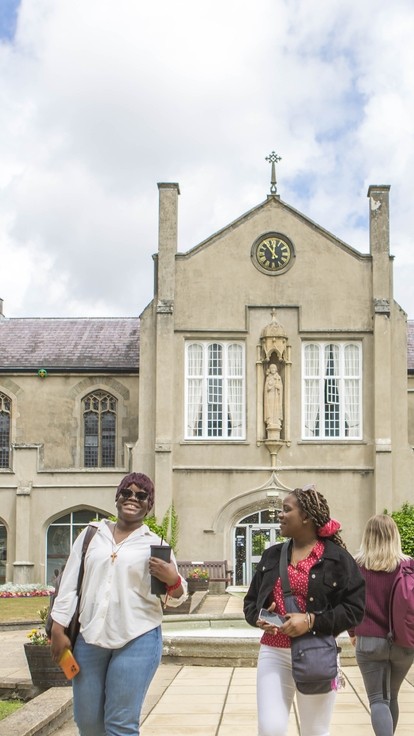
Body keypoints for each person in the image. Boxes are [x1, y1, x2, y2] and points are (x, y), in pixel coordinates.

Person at [50, 472, 187, 736]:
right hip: (90, 637)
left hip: (137, 637)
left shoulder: (156, 544)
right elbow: (68, 584)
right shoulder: (91, 534)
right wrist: (58, 627)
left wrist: (173, 579)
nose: (132, 498)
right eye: (127, 492)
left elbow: (178, 595)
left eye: (141, 495)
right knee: (87, 722)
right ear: (117, 497)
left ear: (149, 505)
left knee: (120, 724)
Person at [243, 485, 365, 736]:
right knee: (270, 729)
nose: (280, 515)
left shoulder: (337, 559)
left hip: (317, 653)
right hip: (273, 652)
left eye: (286, 510)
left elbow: (354, 610)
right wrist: (260, 617)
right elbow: (250, 603)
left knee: (315, 731)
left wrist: (311, 621)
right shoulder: (271, 555)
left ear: (306, 516)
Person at [349, 514, 414, 736]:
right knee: (392, 697)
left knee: (378, 700)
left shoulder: (356, 567)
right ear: (395, 536)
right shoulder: (409, 565)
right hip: (404, 642)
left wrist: (352, 632)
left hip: (368, 640)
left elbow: (350, 604)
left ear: (367, 537)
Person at [264, 363, 283, 430]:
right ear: (270, 369)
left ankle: (276, 422)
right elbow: (266, 388)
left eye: (274, 368)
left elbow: (281, 388)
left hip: (276, 397)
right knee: (270, 408)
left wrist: (278, 387)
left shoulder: (278, 377)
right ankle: (270, 422)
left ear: (276, 369)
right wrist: (269, 386)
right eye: (271, 368)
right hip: (270, 396)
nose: (273, 370)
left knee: (276, 408)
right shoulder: (268, 377)